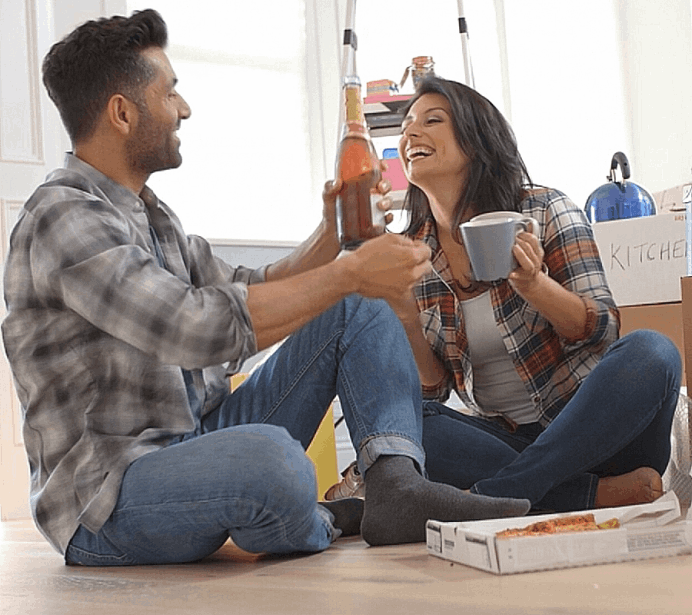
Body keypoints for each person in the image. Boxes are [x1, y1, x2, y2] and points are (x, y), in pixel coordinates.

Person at [1, 12, 531, 565]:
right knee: (272, 463)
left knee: (355, 309)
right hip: (109, 498)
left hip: (198, 438)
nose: (183, 108)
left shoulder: (152, 217)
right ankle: (321, 518)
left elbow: (250, 286)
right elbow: (195, 328)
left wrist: (331, 234)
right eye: (170, 92)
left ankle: (395, 488)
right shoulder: (61, 218)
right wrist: (348, 270)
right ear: (122, 113)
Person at [381, 76, 681, 514]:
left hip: (602, 433)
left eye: (432, 120)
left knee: (653, 351)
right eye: (406, 126)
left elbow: (602, 329)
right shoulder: (414, 252)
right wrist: (406, 318)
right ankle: (592, 495)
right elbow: (435, 390)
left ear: (475, 139)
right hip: (507, 441)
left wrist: (535, 287)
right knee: (402, 420)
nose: (410, 134)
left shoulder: (544, 210)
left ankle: (490, 498)